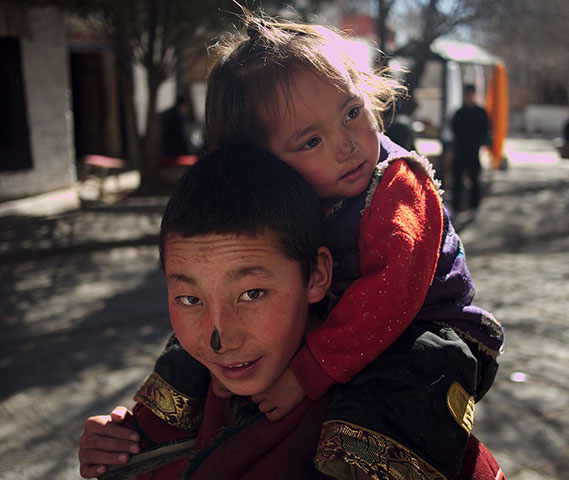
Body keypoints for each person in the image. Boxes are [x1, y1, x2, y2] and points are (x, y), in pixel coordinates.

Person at [81, 10, 505, 479]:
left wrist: (309, 372)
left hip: (424, 329)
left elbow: (392, 294)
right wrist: (121, 443)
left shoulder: (396, 185)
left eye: (351, 112)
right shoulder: (289, 221)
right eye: (310, 141)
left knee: (399, 387)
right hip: (344, 325)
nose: (346, 145)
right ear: (263, 164)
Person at [451, 84, 489, 216]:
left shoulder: (480, 113)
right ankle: (456, 207)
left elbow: (485, 131)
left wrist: (478, 143)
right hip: (460, 151)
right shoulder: (459, 113)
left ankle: (474, 206)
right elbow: (454, 130)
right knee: (457, 181)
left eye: (470, 94)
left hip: (473, 152)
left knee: (475, 179)